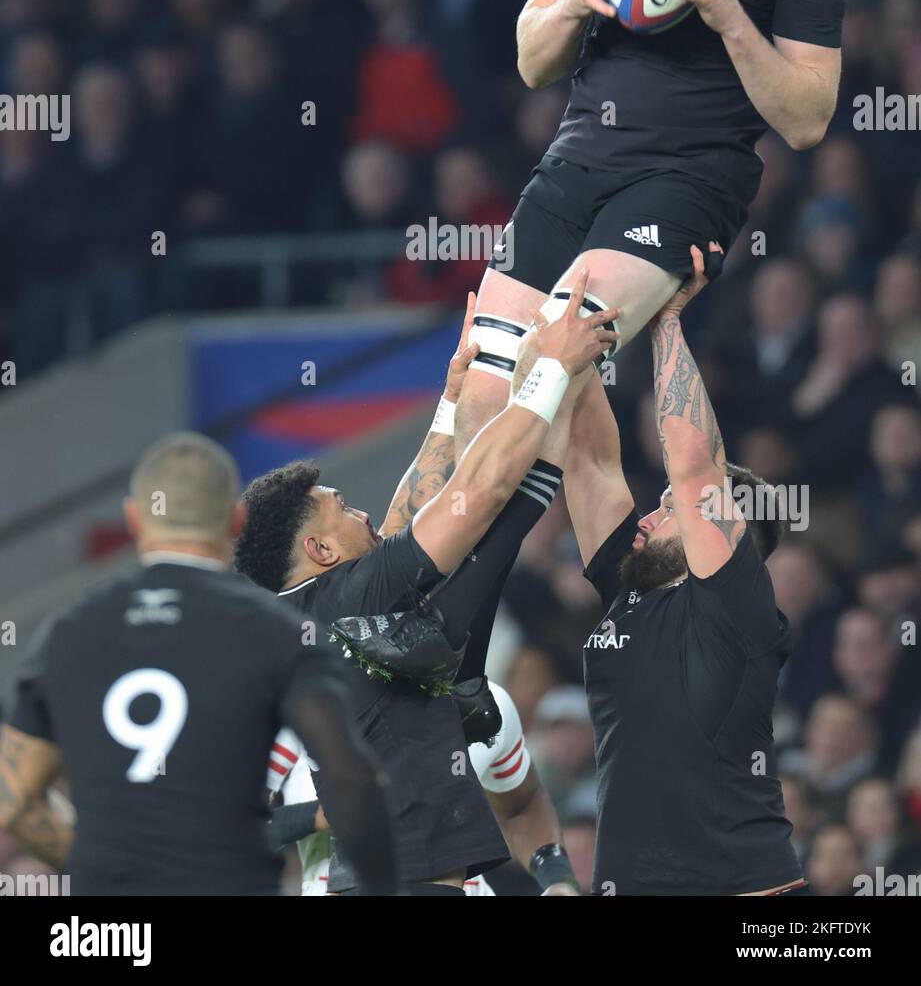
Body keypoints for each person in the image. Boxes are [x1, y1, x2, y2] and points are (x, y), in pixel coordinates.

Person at [453, 0, 851, 539]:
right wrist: (574, 0)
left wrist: (728, 14)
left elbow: (808, 121)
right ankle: (454, 646)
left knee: (548, 362)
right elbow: (532, 62)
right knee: (482, 389)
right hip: (578, 160)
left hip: (688, 180)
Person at [233, 271, 615, 896]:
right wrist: (549, 371)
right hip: (408, 886)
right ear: (320, 549)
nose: (363, 514)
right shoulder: (356, 599)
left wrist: (451, 402)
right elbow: (478, 491)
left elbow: (405, 515)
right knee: (498, 512)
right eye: (342, 507)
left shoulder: (327, 607)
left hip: (390, 883)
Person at [0, 433, 396, 897]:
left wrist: (108, 872)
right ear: (234, 519)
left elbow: (15, 802)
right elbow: (350, 779)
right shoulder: (278, 631)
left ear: (134, 518)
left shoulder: (67, 633)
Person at [563, 244, 806, 894]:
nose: (647, 514)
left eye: (667, 509)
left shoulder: (734, 605)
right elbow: (587, 461)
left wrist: (665, 319)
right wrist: (575, 339)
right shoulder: (628, 581)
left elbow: (695, 465)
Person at [268, 682, 578, 897]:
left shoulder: (484, 703)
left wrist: (558, 879)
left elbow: (521, 805)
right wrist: (324, 814)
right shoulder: (300, 715)